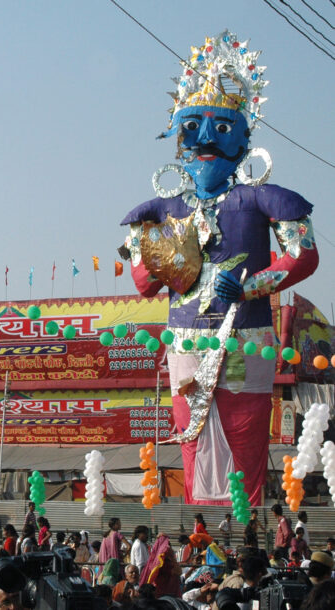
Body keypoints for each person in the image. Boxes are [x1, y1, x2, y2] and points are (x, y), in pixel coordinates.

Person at [121, 31, 319, 507]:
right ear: (177, 136)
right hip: (185, 339)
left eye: (222, 127)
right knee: (192, 433)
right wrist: (171, 262)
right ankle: (202, 527)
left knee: (243, 428)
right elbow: (143, 282)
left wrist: (251, 287)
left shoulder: (265, 199)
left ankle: (241, 524)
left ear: (245, 135)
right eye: (193, 125)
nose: (206, 138)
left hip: (245, 336)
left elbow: (304, 255)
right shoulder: (156, 212)